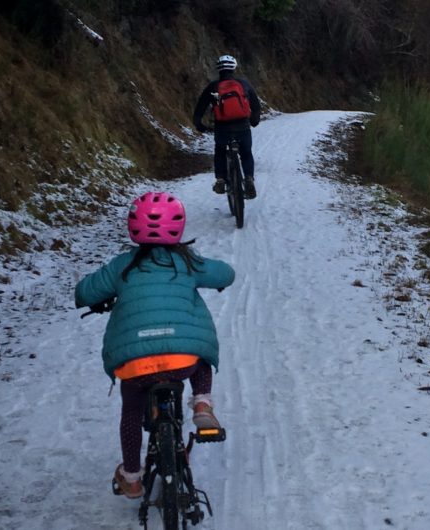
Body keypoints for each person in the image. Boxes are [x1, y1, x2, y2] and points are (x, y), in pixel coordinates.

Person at [74, 191, 235, 499]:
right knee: (200, 356)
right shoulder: (187, 262)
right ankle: (202, 403)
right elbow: (226, 273)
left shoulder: (123, 266)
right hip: (182, 359)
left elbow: (84, 292)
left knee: (132, 409)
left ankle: (132, 477)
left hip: (136, 364)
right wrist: (218, 279)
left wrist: (98, 297)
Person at [192, 54, 262, 199]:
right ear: (234, 68)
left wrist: (200, 125)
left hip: (222, 129)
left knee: (220, 151)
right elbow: (255, 105)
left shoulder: (213, 87)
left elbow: (200, 108)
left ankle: (221, 180)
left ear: (219, 69)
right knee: (246, 153)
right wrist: (254, 120)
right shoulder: (243, 84)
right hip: (242, 127)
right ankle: (249, 178)